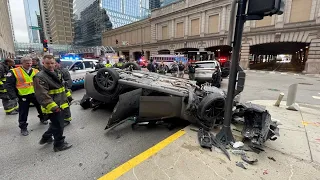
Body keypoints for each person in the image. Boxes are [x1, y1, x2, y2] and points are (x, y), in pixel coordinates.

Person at [34, 55, 72, 152]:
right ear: (43, 63)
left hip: (61, 103)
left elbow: (63, 87)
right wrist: (54, 107)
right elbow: (42, 95)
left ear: (55, 63)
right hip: (53, 107)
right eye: (48, 63)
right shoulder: (40, 76)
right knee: (59, 125)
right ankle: (59, 145)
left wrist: (68, 96)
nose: (50, 65)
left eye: (52, 63)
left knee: (56, 124)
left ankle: (46, 137)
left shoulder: (57, 72)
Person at [5, 57, 47, 136]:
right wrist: (13, 96)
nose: (29, 64)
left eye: (30, 63)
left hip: (35, 94)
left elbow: (41, 82)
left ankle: (43, 118)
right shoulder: (14, 72)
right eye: (27, 63)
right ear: (22, 63)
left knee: (41, 108)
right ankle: (23, 127)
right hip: (23, 95)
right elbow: (9, 85)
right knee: (23, 112)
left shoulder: (36, 71)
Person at [55, 58, 73, 127]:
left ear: (59, 63)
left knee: (65, 106)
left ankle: (67, 119)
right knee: (58, 107)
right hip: (56, 93)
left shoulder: (64, 71)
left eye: (54, 63)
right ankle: (59, 119)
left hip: (64, 92)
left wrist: (64, 83)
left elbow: (69, 82)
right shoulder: (52, 71)